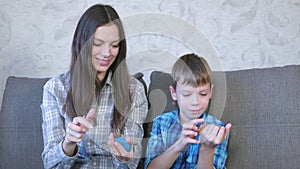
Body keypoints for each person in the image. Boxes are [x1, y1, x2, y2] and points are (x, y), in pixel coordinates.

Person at [41, 4, 148, 169]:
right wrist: (69, 143)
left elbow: (131, 164)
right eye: (98, 43)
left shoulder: (134, 90)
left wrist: (124, 156)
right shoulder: (55, 89)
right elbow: (50, 164)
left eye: (114, 45)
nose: (107, 53)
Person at [145, 53, 232, 169]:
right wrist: (178, 146)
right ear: (174, 93)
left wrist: (207, 149)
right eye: (186, 94)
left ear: (210, 92)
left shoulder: (217, 129)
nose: (195, 102)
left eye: (203, 94)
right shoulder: (162, 123)